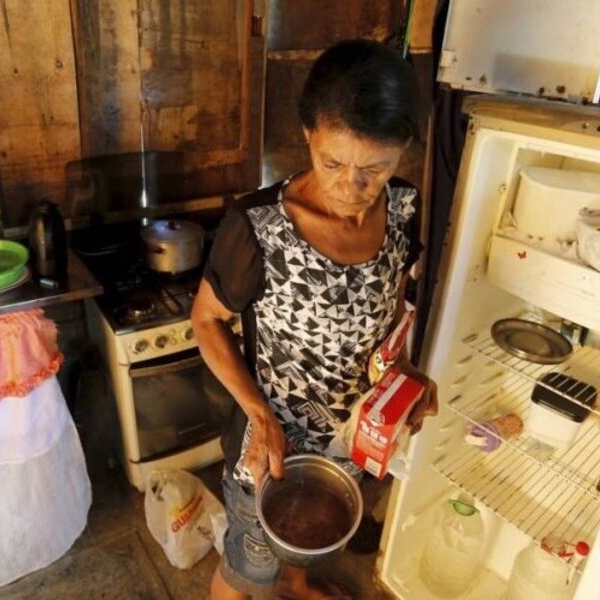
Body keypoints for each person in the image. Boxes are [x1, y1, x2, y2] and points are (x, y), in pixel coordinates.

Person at [192, 39, 437, 600]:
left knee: (318, 533)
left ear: (402, 150)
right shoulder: (259, 226)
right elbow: (206, 322)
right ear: (307, 135)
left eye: (375, 168)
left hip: (352, 437)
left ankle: (298, 583)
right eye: (332, 162)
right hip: (270, 443)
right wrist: (259, 414)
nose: (351, 186)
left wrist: (405, 373)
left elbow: (392, 309)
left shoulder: (403, 207)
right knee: (250, 564)